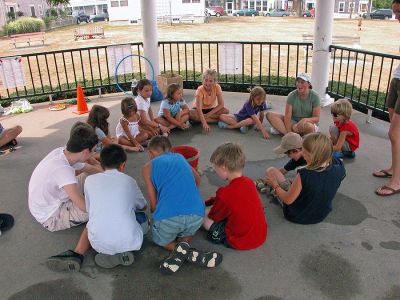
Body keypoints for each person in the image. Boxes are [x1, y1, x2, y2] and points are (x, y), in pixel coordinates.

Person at [46, 144, 149, 272]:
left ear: (101, 163)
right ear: (122, 165)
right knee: (142, 218)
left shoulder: (90, 181)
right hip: (131, 241)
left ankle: (82, 253)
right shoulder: (129, 181)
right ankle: (125, 251)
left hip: (98, 244)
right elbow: (143, 206)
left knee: (95, 218)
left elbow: (90, 207)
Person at [142, 136, 222, 274]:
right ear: (171, 150)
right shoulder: (180, 157)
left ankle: (188, 254)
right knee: (187, 233)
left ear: (150, 153)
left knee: (160, 239)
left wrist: (157, 217)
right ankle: (185, 244)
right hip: (197, 214)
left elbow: (153, 205)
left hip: (168, 217)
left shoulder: (147, 167)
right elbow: (197, 180)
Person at [28, 122, 99, 232]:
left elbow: (90, 169)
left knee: (88, 176)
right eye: (93, 150)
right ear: (85, 152)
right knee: (100, 208)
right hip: (51, 216)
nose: (94, 153)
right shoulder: (63, 170)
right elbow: (83, 206)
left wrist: (110, 176)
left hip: (53, 198)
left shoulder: (64, 153)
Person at [265, 132, 346, 224]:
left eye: (305, 153)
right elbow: (329, 180)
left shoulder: (304, 174)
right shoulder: (339, 166)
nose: (303, 155)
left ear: (314, 155)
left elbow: (288, 200)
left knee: (271, 171)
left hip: (297, 215)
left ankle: (275, 192)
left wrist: (275, 185)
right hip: (321, 214)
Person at [203, 142, 267, 250]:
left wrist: (203, 208)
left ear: (224, 168)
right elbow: (224, 200)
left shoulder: (225, 194)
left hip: (241, 241)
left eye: (215, 168)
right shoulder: (249, 182)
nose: (215, 171)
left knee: (202, 217)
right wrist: (208, 202)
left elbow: (213, 216)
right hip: (260, 234)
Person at [373, 0, 400, 196]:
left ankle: (396, 181)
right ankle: (394, 168)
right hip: (397, 79)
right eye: (394, 11)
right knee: (396, 135)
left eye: (398, 11)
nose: (395, 15)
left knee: (394, 133)